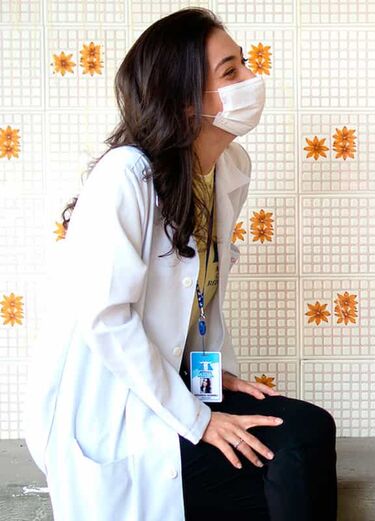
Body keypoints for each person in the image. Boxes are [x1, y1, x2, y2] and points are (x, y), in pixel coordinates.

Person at [25, 9, 336, 521]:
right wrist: (199, 419)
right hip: (112, 413)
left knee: (306, 429)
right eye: (230, 71)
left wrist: (212, 379)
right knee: (286, 455)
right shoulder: (126, 176)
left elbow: (196, 302)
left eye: (246, 65)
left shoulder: (228, 169)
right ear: (185, 100)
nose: (251, 81)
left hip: (170, 388)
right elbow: (108, 320)